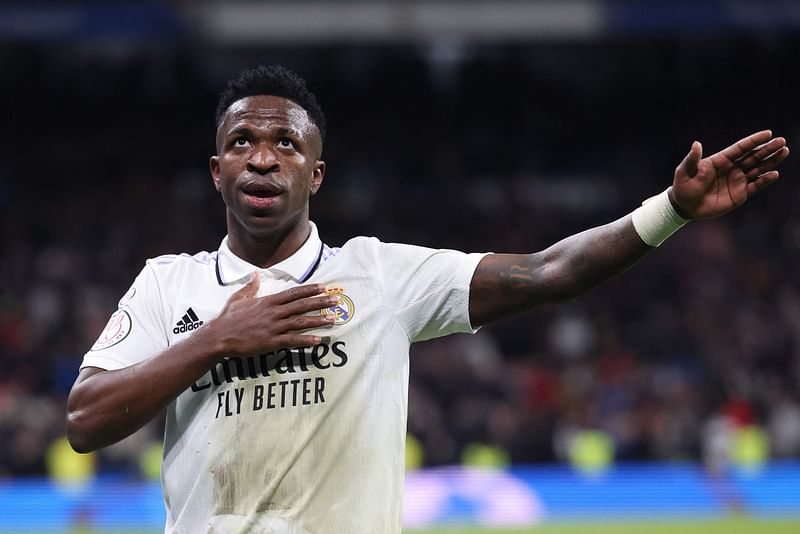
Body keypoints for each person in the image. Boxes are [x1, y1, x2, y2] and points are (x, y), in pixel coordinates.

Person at [66, 65, 790, 534]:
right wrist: (218, 338)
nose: (263, 157)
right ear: (217, 168)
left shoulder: (379, 276)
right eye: (243, 141)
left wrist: (672, 209)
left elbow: (547, 273)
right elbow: (85, 419)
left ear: (317, 175)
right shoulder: (169, 284)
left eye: (287, 145)